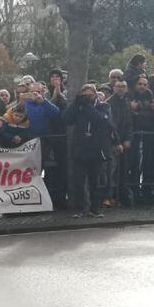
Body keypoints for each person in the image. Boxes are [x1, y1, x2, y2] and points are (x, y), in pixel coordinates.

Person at [62, 83, 116, 218]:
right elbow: (66, 119)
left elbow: (100, 120)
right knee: (78, 181)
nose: (87, 98)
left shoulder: (103, 106)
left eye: (90, 95)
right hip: (80, 149)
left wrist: (87, 106)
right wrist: (76, 103)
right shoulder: (78, 107)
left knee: (95, 181)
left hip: (96, 149)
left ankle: (95, 208)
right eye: (84, 95)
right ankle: (80, 208)